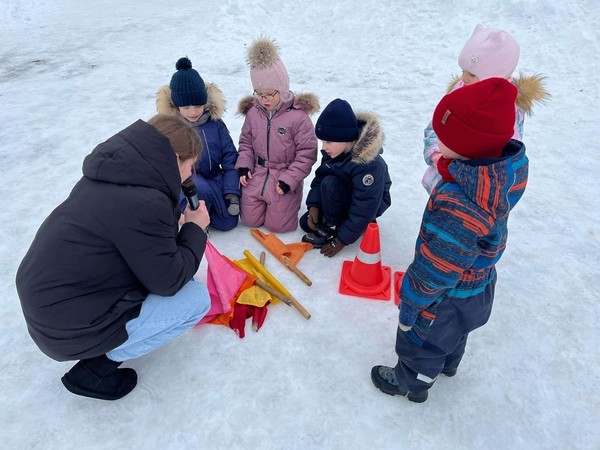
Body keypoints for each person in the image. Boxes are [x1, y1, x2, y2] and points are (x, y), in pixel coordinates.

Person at [15, 114, 211, 401]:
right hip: (66, 326)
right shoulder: (146, 202)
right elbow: (168, 282)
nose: (189, 175)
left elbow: (135, 241)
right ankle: (95, 371)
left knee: (179, 277)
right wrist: (194, 229)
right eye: (189, 166)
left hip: (49, 306)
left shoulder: (117, 174)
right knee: (193, 300)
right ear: (176, 158)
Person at [371, 78, 529, 403]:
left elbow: (436, 269)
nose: (435, 140)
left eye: (443, 137)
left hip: (443, 297)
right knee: (455, 334)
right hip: (479, 286)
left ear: (468, 145)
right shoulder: (497, 177)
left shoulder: (459, 203)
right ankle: (449, 365)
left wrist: (411, 301)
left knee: (422, 343)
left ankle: (411, 383)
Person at [422, 23, 548, 194]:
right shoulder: (460, 89)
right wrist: (435, 155)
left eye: (472, 74)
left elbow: (502, 154)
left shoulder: (508, 110)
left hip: (475, 191)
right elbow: (436, 127)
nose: (463, 78)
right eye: (463, 70)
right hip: (443, 179)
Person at [236, 37, 319, 233]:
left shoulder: (298, 117)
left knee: (279, 227)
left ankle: (285, 198)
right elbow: (246, 142)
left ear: (281, 89)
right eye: (259, 94)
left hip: (283, 178)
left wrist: (289, 180)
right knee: (250, 221)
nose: (263, 100)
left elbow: (307, 153)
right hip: (257, 174)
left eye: (269, 95)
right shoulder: (253, 113)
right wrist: (244, 165)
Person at [299, 99, 392, 257]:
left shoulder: (368, 165)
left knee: (331, 184)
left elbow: (365, 205)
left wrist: (342, 239)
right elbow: (320, 177)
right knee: (305, 222)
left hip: (368, 204)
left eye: (328, 141)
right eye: (322, 141)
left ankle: (332, 226)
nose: (324, 147)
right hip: (343, 194)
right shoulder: (335, 151)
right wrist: (313, 205)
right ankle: (337, 219)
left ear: (346, 138)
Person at [157, 57, 240, 231]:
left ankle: (209, 213)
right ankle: (193, 221)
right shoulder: (171, 129)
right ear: (176, 106)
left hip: (214, 177)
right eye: (186, 107)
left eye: (197, 105)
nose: (193, 112)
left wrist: (231, 192)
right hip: (187, 184)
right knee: (199, 187)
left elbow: (230, 157)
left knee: (228, 224)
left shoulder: (216, 124)